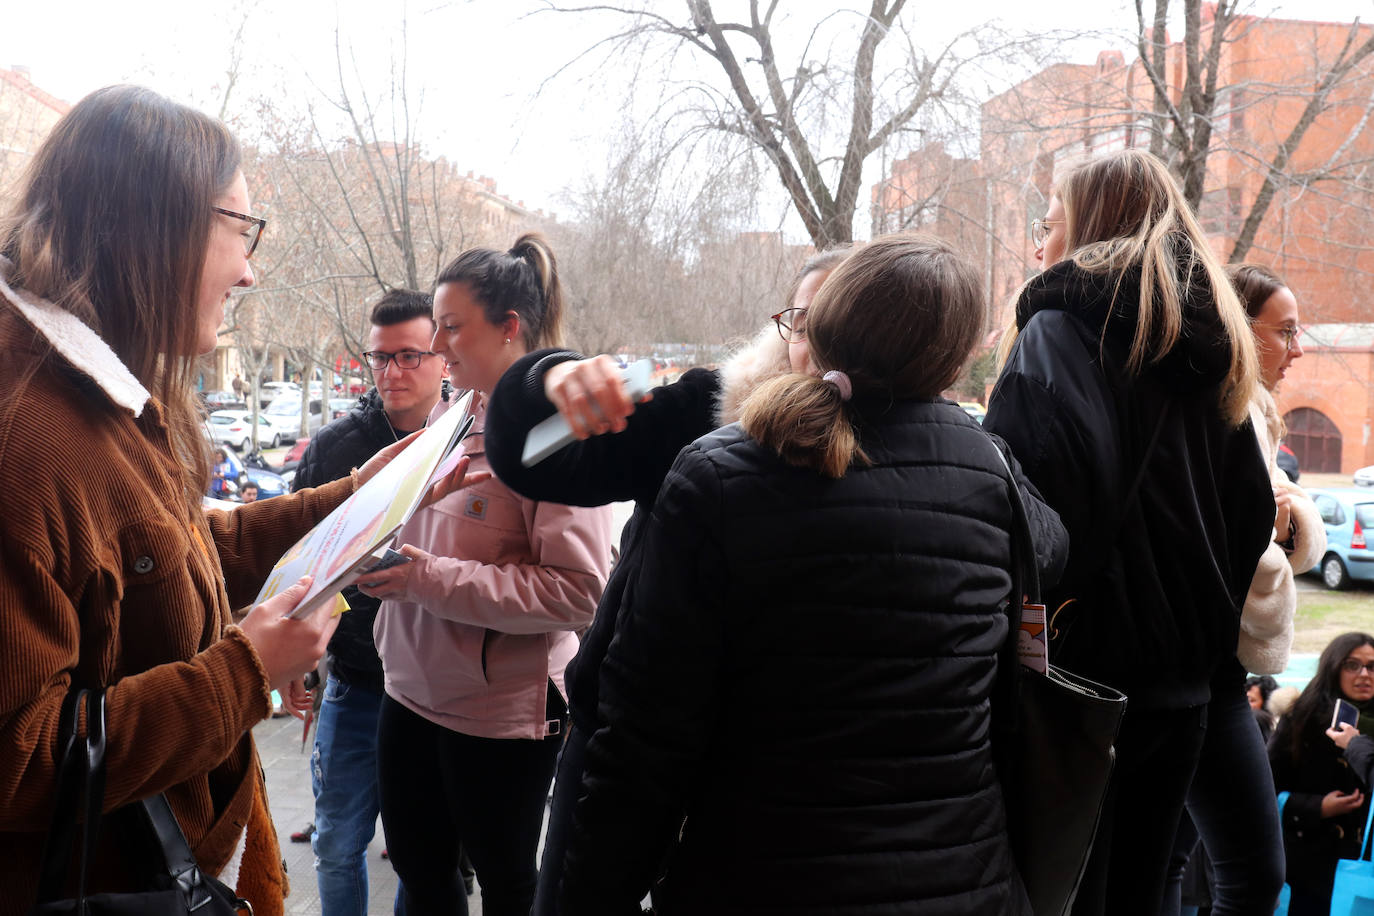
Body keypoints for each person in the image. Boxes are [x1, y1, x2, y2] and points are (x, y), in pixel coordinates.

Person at [0, 85, 470, 916]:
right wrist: (245, 674)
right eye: (239, 229)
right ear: (152, 226)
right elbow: (17, 760)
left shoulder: (102, 393)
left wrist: (360, 498)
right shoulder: (25, 434)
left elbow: (170, 561)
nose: (250, 269)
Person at [552, 233, 1066, 914]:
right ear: (952, 356)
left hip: (758, 877)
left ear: (823, 326)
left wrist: (594, 894)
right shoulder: (991, 475)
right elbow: (1053, 549)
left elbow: (646, 737)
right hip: (962, 881)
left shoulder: (718, 472)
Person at [484, 246, 852, 916]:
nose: (816, 341)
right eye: (801, 319)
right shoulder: (707, 412)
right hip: (627, 756)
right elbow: (532, 457)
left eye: (841, 319)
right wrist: (550, 377)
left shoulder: (938, 462)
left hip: (793, 794)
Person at [983, 148, 1274, 915]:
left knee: (1062, 893)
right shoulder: (1221, 348)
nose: (1037, 246)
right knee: (1146, 893)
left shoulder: (1055, 332)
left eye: (1047, 225)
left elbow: (1034, 518)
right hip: (1185, 685)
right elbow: (1250, 516)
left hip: (1082, 680)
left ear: (1085, 226)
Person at [358, 233, 614, 916]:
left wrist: (423, 580)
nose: (440, 346)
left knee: (506, 881)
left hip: (498, 715)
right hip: (408, 686)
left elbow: (579, 592)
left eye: (451, 327)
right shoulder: (455, 410)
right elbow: (423, 529)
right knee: (417, 868)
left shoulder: (559, 429)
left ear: (509, 329)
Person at [1162, 263, 1328, 916]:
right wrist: (1277, 519)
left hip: (1206, 673)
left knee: (1168, 865)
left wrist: (1287, 516)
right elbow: (1225, 541)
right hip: (1204, 672)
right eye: (1284, 331)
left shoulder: (1248, 413)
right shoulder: (1214, 414)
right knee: (1254, 878)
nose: (1298, 348)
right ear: (1236, 325)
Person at [291, 289, 447, 916]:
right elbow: (299, 566)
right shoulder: (335, 449)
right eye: (380, 359)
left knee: (424, 853)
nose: (392, 373)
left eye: (410, 356)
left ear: (444, 357)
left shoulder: (467, 440)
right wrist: (299, 664)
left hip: (439, 686)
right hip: (354, 684)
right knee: (335, 844)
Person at [1271, 633, 1374, 914]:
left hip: (1366, 870)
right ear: (1333, 668)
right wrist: (1315, 807)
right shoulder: (1301, 719)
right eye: (1352, 665)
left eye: (1372, 666)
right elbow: (1265, 788)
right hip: (1308, 864)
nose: (1364, 674)